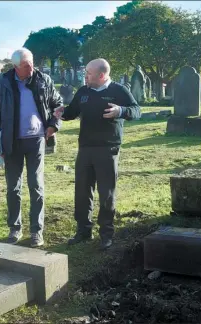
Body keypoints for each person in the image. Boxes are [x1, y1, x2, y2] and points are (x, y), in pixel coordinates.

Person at [53, 58, 141, 250]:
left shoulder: (118, 90)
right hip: (85, 147)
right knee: (82, 190)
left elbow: (136, 110)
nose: (85, 77)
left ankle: (106, 234)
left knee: (106, 192)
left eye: (88, 74)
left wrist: (121, 110)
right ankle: (83, 230)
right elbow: (73, 111)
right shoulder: (84, 91)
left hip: (107, 148)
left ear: (101, 75)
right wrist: (62, 112)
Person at [0, 48, 62, 247]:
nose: (30, 68)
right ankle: (15, 228)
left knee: (36, 186)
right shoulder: (3, 83)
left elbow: (58, 104)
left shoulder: (43, 80)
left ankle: (36, 231)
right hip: (11, 142)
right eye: (25, 66)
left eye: (31, 63)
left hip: (36, 140)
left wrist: (54, 125)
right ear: (15, 67)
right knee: (13, 188)